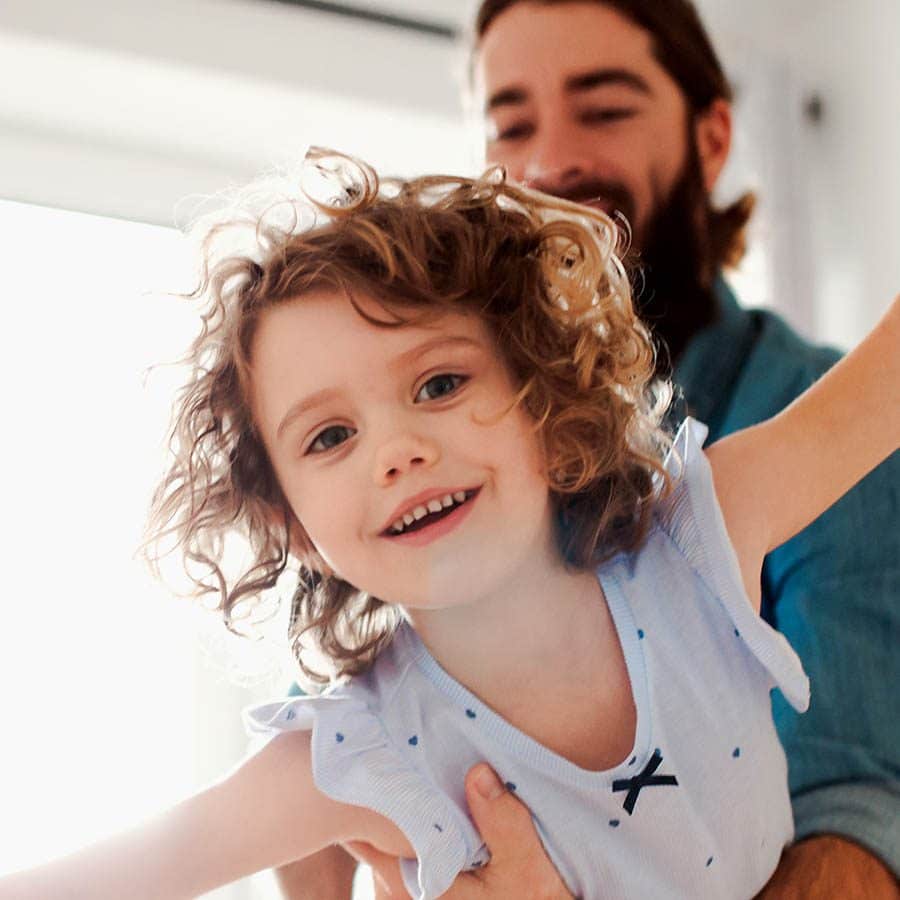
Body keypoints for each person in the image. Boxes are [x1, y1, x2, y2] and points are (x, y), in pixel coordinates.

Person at [1, 150, 896, 900]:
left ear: (543, 398)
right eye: (330, 437)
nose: (394, 451)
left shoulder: (697, 540)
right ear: (296, 526)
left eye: (439, 384)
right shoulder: (359, 754)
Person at [282, 2, 900, 897]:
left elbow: (852, 824)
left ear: (713, 137)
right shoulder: (431, 478)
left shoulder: (810, 431)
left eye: (603, 109)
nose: (549, 163)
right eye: (512, 124)